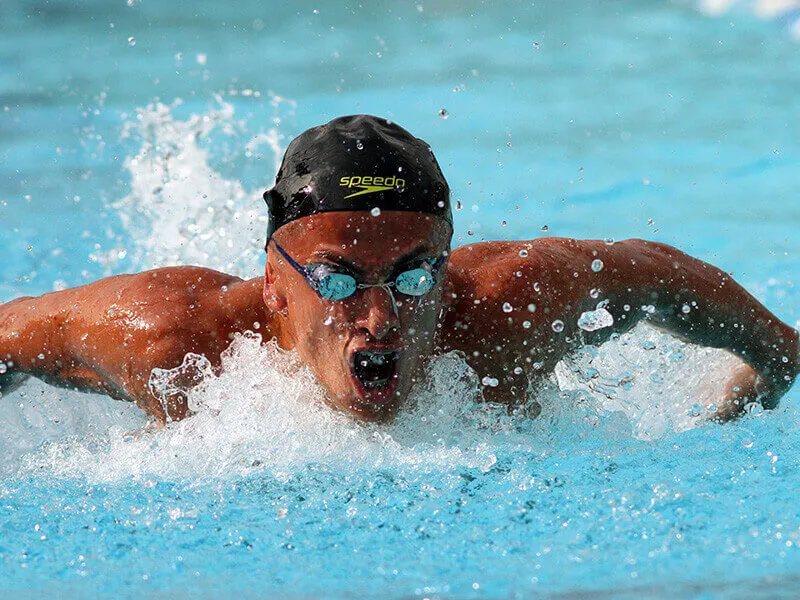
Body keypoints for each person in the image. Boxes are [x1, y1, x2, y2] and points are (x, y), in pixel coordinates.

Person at [0, 115, 798, 425]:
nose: (380, 320)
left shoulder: (508, 313)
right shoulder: (176, 342)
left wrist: (762, 376)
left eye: (414, 276)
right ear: (276, 283)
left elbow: (654, 273)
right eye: (339, 280)